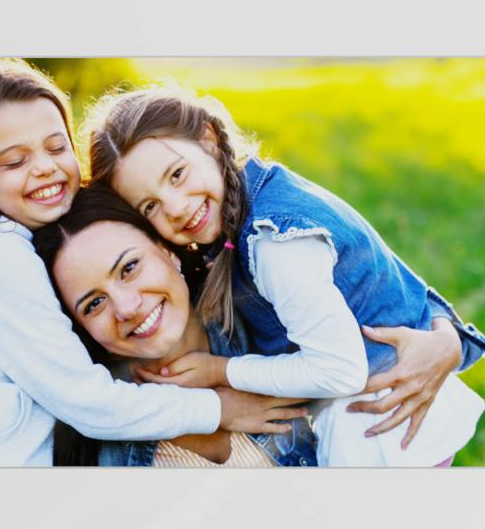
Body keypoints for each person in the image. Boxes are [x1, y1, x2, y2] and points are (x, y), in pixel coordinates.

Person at [0, 60, 307, 466]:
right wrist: (220, 409)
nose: (45, 168)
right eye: (14, 161)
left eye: (56, 147)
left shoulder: (23, 243)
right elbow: (87, 401)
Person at [84, 82, 485, 467]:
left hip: (382, 425)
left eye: (177, 175)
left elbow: (338, 371)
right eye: (150, 207)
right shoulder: (253, 196)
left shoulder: (275, 241)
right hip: (383, 415)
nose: (173, 206)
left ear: (208, 139)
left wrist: (218, 371)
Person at [33, 184, 319, 468]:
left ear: (167, 251)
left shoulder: (267, 311)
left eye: (129, 268)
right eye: (94, 304)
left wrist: (362, 387)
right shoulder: (105, 447)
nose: (127, 308)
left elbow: (350, 364)